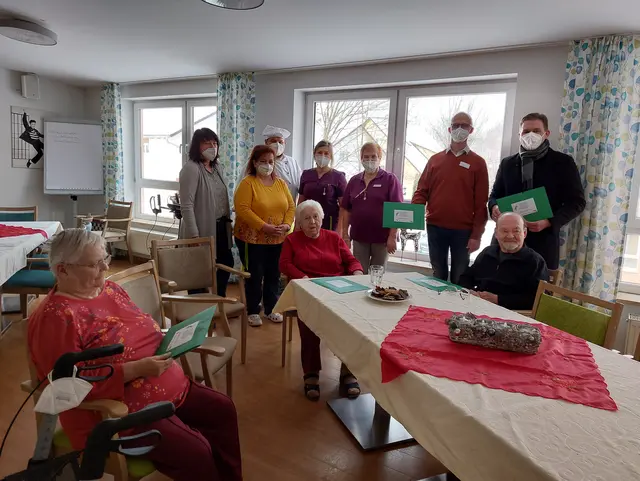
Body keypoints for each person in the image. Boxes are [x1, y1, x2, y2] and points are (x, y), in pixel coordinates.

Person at [27, 229, 242, 481]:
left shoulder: (110, 290)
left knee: (222, 410)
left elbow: (138, 326)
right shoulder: (57, 318)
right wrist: (137, 369)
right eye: (95, 264)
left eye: (104, 259)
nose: (104, 268)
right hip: (122, 412)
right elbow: (66, 385)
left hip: (167, 386)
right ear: (63, 270)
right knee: (197, 452)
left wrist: (172, 338)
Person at [279, 200, 364, 400]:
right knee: (309, 325)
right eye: (307, 218)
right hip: (309, 290)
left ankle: (348, 371)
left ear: (322, 218)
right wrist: (303, 278)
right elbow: (284, 264)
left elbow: (351, 260)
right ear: (299, 223)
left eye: (316, 217)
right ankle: (311, 373)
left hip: (337, 291)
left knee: (350, 325)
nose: (312, 222)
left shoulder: (334, 238)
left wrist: (357, 270)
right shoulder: (292, 240)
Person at [488, 113, 586, 270]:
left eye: (536, 131)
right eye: (526, 131)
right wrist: (494, 207)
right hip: (506, 240)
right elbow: (494, 195)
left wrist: (549, 222)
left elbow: (577, 202)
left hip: (542, 241)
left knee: (537, 289)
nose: (531, 135)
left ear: (546, 134)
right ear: (519, 134)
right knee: (497, 284)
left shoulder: (563, 163)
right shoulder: (507, 163)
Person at [412, 112, 489, 284]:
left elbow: (481, 203)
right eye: (455, 125)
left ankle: (455, 311)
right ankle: (436, 310)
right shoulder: (435, 160)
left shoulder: (478, 163)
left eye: (464, 125)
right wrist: (414, 215)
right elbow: (421, 191)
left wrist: (477, 235)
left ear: (471, 130)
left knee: (459, 276)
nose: (459, 129)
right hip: (435, 227)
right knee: (437, 274)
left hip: (463, 232)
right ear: (449, 129)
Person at [234, 144, 295, 326]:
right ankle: (253, 310)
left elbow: (291, 206)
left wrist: (286, 224)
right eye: (263, 161)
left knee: (273, 274)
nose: (267, 165)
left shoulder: (281, 184)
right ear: (254, 162)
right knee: (255, 274)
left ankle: (271, 308)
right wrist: (264, 226)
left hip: (277, 239)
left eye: (270, 161)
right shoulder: (248, 183)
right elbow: (242, 209)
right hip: (252, 239)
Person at [179, 128, 234, 296]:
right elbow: (186, 205)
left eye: (215, 143)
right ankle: (199, 309)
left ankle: (219, 300)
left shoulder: (217, 167)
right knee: (199, 270)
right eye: (207, 143)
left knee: (226, 262)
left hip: (220, 226)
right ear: (197, 146)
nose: (212, 146)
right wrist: (195, 235)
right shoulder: (191, 168)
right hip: (201, 229)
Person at [458, 212, 549, 310]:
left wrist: (498, 300)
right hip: (476, 306)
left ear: (525, 233)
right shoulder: (487, 252)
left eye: (516, 231)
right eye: (505, 231)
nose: (510, 236)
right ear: (496, 234)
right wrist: (470, 292)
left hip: (511, 315)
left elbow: (538, 300)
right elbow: (466, 277)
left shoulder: (535, 262)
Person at [340, 142, 403, 273]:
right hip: (359, 237)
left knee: (377, 276)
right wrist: (345, 235)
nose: (370, 160)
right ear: (361, 158)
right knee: (358, 273)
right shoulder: (354, 181)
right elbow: (346, 209)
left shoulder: (390, 180)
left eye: (373, 157)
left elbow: (397, 209)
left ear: (380, 158)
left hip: (382, 239)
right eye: (366, 157)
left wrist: (392, 236)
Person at [298, 140, 347, 231]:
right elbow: (301, 201)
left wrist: (340, 229)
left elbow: (343, 206)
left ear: (331, 156)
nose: (322, 156)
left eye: (326, 153)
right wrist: (297, 223)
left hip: (329, 223)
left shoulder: (338, 177)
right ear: (314, 154)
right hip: (308, 222)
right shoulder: (306, 174)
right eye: (319, 153)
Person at [263, 125, 303, 202]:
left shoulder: (292, 162)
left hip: (291, 209)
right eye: (273, 141)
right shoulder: (258, 162)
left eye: (280, 142)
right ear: (266, 142)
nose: (277, 144)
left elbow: (300, 186)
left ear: (285, 143)